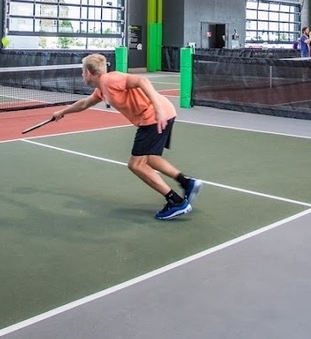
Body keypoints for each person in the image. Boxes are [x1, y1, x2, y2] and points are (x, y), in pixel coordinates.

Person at [50, 53, 201, 220]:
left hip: (153, 116)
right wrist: (62, 112)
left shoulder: (110, 80)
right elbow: (85, 103)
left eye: (81, 71)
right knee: (149, 158)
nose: (81, 75)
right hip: (162, 113)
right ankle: (187, 182)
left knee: (135, 165)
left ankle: (176, 202)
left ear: (88, 73)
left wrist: (157, 109)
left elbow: (142, 81)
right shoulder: (102, 89)